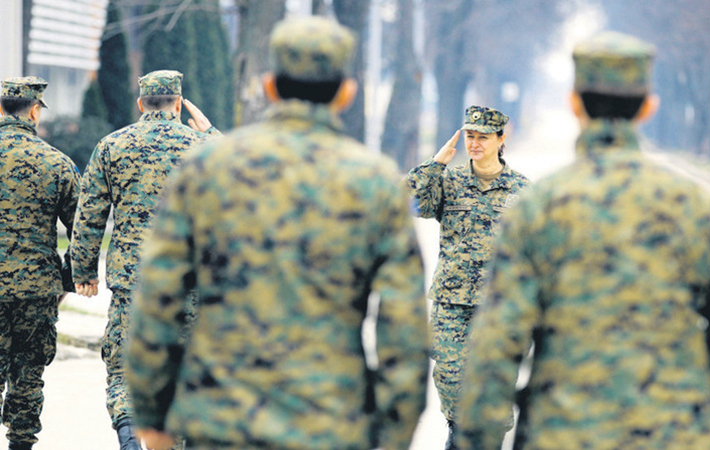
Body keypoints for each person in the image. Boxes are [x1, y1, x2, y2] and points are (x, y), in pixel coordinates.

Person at [126, 16, 429, 450]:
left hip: (221, 421)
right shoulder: (375, 183)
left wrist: (152, 414)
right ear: (347, 92)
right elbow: (404, 327)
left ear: (270, 87)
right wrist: (394, 432)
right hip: (330, 422)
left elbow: (158, 296)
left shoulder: (209, 168)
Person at [456, 31, 710, 450]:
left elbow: (496, 348)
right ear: (649, 107)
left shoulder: (538, 208)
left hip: (563, 433)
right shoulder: (695, 208)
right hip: (678, 434)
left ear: (574, 103)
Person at [70, 69, 220, 450]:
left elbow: (89, 215)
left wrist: (83, 271)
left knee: (122, 371)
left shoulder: (111, 146)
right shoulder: (202, 149)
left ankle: (130, 439)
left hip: (131, 284)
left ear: (140, 104)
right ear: (179, 103)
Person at [406, 106, 529, 448]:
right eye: (470, 137)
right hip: (452, 303)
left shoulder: (522, 191)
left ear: (501, 139)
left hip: (500, 306)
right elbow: (410, 201)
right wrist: (436, 163)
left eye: (482, 137)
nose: (474, 144)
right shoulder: (449, 181)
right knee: (449, 379)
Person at [0, 77, 80, 450]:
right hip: (35, 290)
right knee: (29, 374)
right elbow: (83, 231)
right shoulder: (57, 163)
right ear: (34, 111)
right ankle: (21, 443)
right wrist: (65, 281)